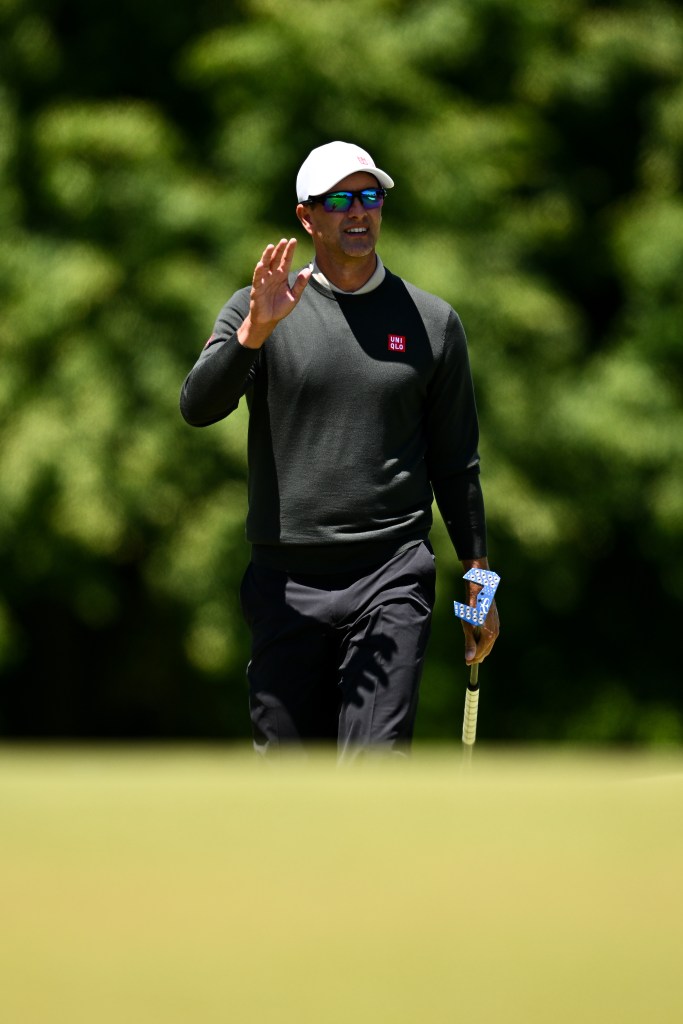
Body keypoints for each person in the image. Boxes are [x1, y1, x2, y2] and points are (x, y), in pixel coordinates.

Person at [180, 140, 499, 757]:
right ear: (307, 217)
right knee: (291, 788)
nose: (359, 212)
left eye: (369, 196)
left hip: (391, 574)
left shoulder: (433, 322)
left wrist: (479, 578)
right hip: (285, 581)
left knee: (375, 768)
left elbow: (457, 461)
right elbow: (198, 407)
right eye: (340, 200)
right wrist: (253, 336)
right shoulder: (259, 309)